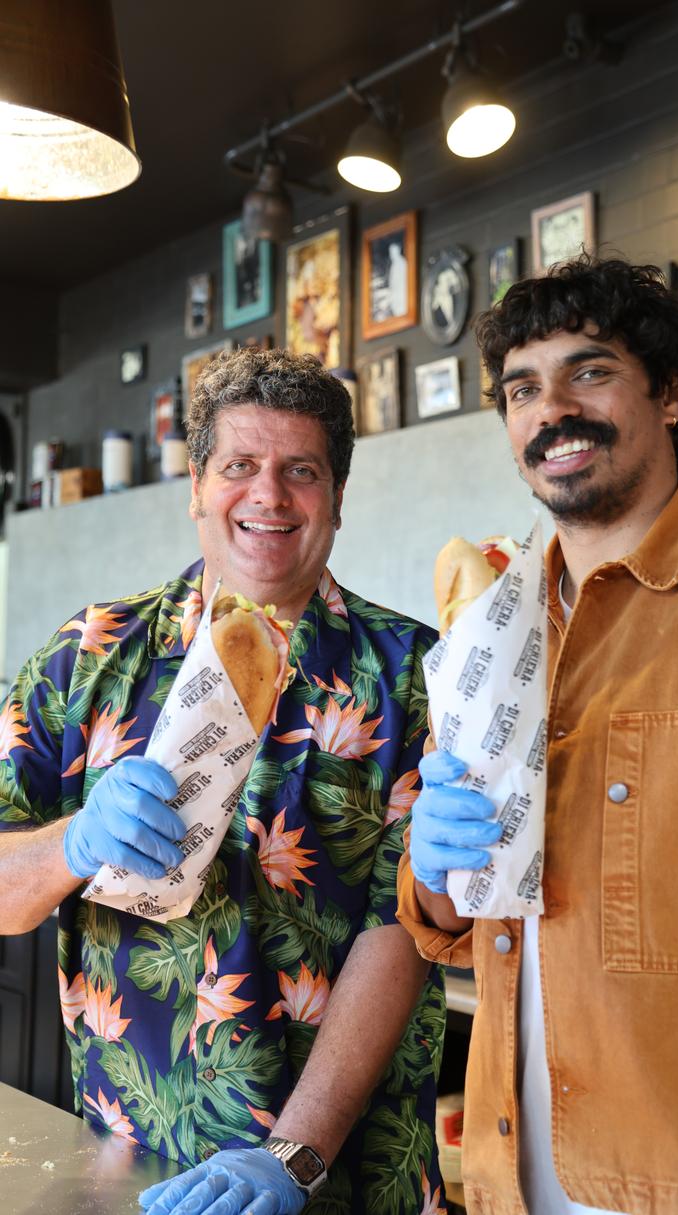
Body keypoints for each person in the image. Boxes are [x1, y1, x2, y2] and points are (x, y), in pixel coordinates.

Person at [397, 256, 678, 1215]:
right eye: (522, 389)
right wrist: (432, 870)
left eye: (589, 372)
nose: (552, 410)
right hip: (511, 1178)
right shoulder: (493, 626)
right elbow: (461, 923)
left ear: (669, 394)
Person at [0, 347, 446, 1215]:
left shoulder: (413, 676)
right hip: (131, 1170)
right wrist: (74, 840)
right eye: (240, 466)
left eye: (301, 471)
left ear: (339, 497)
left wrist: (295, 1153)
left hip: (349, 1179)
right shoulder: (88, 656)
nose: (270, 496)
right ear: (197, 487)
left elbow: (405, 929)